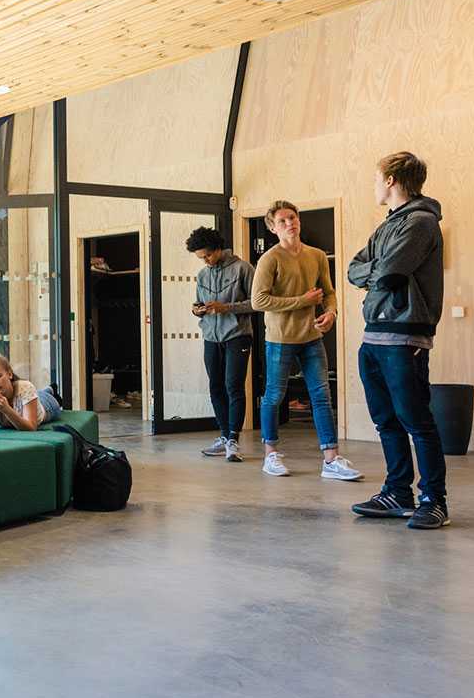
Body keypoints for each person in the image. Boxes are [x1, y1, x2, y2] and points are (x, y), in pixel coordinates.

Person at [348, 152, 449, 529]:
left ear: (391, 180)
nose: (374, 185)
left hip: (405, 338)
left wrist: (376, 270)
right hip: (373, 334)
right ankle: (397, 493)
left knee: (417, 422)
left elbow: (389, 272)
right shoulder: (387, 226)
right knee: (386, 421)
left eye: (377, 178)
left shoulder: (421, 223)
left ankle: (434, 500)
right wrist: (377, 269)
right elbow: (353, 268)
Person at [252, 201, 361, 481]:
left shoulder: (317, 256)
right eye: (283, 221)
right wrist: (303, 301)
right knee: (274, 397)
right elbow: (258, 300)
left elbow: (328, 291)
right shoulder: (270, 259)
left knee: (322, 397)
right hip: (280, 339)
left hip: (312, 337)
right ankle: (270, 455)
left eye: (293, 217)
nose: (290, 223)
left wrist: (331, 312)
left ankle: (331, 460)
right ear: (273, 228)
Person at [186, 226, 255, 462]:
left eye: (207, 255)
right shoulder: (203, 275)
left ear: (218, 248)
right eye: (201, 258)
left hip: (237, 335)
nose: (205, 261)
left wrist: (227, 308)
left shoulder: (243, 268)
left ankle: (234, 440)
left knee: (233, 386)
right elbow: (198, 303)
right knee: (215, 386)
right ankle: (224, 436)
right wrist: (197, 310)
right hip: (210, 337)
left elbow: (258, 302)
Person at [0, 353, 60, 430]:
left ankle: (50, 389)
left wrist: (6, 409)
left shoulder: (25, 387)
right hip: (28, 397)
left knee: (42, 395)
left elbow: (31, 427)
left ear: (10, 374)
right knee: (34, 394)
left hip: (47, 406)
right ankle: (45, 390)